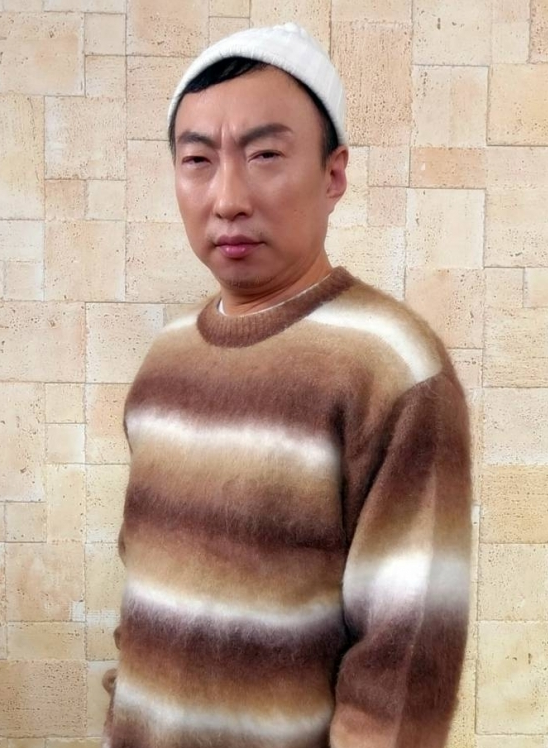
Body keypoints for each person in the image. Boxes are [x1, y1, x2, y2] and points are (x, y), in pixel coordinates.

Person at [101, 22, 472, 748]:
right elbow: (145, 591)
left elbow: (403, 673)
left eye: (265, 154)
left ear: (333, 174)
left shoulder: (393, 367)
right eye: (198, 160)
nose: (227, 197)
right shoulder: (166, 359)